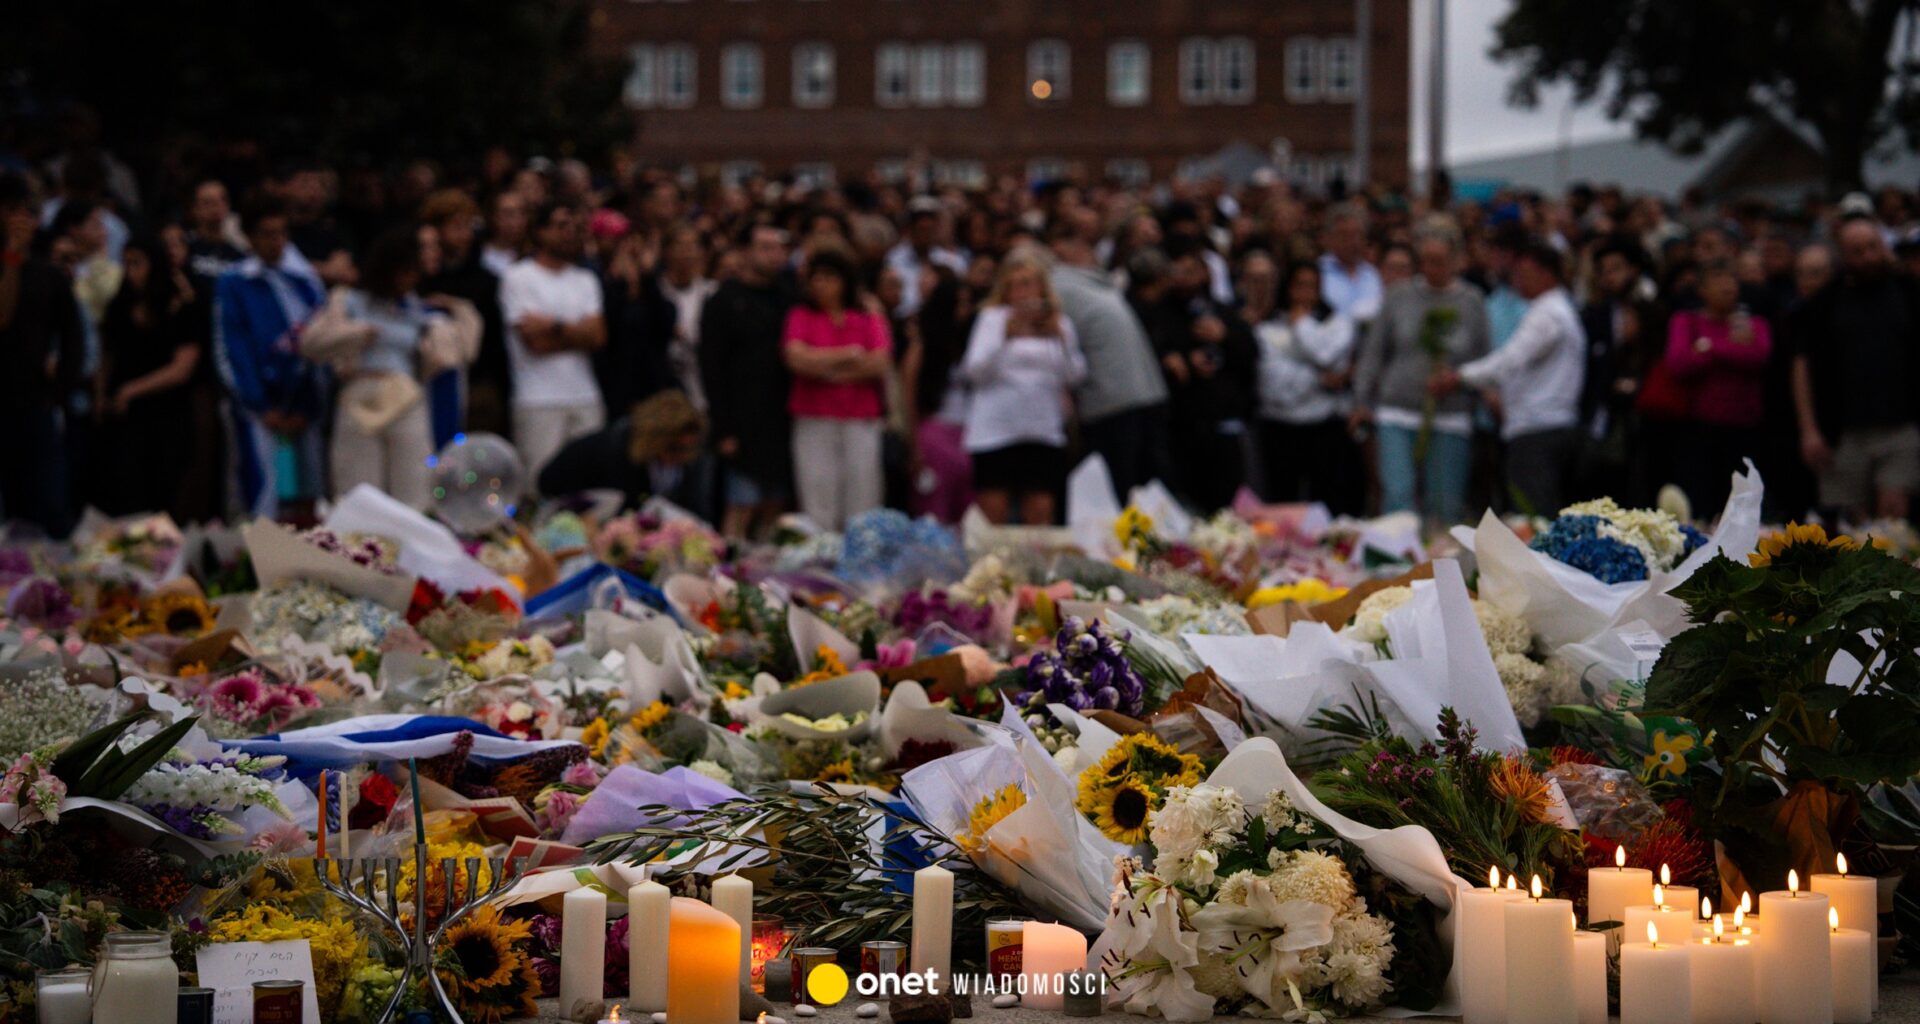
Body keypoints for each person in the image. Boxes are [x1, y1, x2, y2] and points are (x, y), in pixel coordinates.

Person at [307, 228, 479, 509]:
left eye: (413, 271)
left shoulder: (417, 309)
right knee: (359, 488)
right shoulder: (348, 301)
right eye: (403, 271)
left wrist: (452, 310)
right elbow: (311, 344)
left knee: (415, 486)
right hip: (359, 394)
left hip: (407, 397)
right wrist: (355, 334)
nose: (409, 279)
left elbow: (464, 350)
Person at [1433, 240, 1588, 513]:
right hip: (1545, 423)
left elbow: (1509, 360)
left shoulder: (1548, 314)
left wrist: (1459, 377)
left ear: (1546, 273)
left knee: (1534, 512)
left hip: (1538, 426)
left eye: (1523, 274)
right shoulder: (1557, 309)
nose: (1517, 282)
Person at [1351, 225, 1491, 523]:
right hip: (1398, 409)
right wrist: (1362, 399)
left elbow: (1485, 358)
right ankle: (1398, 563)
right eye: (1425, 259)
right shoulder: (1399, 296)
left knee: (1445, 503)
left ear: (1456, 261)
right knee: (1398, 495)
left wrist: (1460, 379)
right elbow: (1374, 352)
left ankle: (1440, 565)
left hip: (1450, 412)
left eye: (1439, 260)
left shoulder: (1471, 301)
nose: (1431, 267)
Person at [1791, 217, 1920, 520]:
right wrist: (1809, 429)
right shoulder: (1825, 303)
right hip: (1843, 432)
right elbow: (1802, 366)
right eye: (1857, 251)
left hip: (1901, 425)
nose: (1868, 258)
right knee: (1852, 525)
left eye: (1873, 248)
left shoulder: (1908, 293)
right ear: (1843, 256)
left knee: (1895, 518)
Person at [213, 193, 328, 519]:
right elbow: (231, 349)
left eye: (281, 232)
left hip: (303, 407)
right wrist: (258, 405)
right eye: (267, 233)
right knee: (262, 491)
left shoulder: (306, 281)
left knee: (309, 491)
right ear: (249, 237)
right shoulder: (235, 282)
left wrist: (310, 406)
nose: (276, 241)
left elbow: (320, 345)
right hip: (258, 409)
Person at [959, 249, 1087, 525]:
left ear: (1042, 286)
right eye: (1015, 285)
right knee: (994, 511)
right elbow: (975, 371)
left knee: (1041, 509)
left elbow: (1075, 375)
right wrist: (1005, 336)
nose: (1022, 292)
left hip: (1042, 429)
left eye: (1028, 283)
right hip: (996, 429)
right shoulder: (993, 319)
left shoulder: (1059, 323)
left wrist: (1060, 338)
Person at [1048, 222, 1171, 497]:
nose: (1090, 252)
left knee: (1135, 489)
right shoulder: (1067, 286)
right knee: (1129, 487)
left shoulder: (1079, 285)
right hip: (1125, 399)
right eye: (1081, 246)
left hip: (1127, 397)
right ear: (1060, 251)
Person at [782, 245, 892, 530]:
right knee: (817, 489)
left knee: (863, 489)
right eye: (816, 278)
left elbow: (879, 362)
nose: (821, 285)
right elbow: (796, 359)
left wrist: (823, 369)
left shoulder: (867, 316)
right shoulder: (801, 315)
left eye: (829, 278)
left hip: (860, 416)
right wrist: (847, 356)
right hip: (815, 414)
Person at [0, 174, 84, 535]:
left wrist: (61, 390)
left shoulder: (50, 275)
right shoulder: (11, 267)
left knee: (48, 506)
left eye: (28, 213)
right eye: (13, 212)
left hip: (37, 404)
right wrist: (11, 257)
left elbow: (72, 337)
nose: (22, 221)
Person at [701, 222, 796, 540]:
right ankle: (729, 575)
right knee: (741, 504)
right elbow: (711, 368)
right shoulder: (723, 301)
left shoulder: (789, 295)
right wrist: (723, 428)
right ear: (744, 253)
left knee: (775, 505)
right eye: (765, 247)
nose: (775, 255)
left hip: (783, 417)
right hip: (741, 420)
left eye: (780, 248)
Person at [94, 235, 201, 517]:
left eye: (138, 264)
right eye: (126, 263)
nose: (131, 272)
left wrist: (131, 390)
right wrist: (101, 393)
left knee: (163, 497)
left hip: (166, 416)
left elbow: (182, 368)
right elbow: (108, 354)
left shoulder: (179, 305)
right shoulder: (121, 305)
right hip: (126, 419)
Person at [500, 202, 607, 475]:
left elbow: (597, 336)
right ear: (540, 232)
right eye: (561, 226)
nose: (569, 233)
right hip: (538, 400)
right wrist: (576, 333)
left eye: (575, 227)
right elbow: (535, 343)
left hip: (585, 396)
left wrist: (554, 325)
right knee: (541, 482)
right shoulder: (518, 277)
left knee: (591, 483)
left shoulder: (586, 279)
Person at [1155, 235, 1257, 511]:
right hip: (1182, 429)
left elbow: (1250, 356)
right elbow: (1157, 355)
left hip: (1223, 428)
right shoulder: (1161, 314)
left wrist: (1226, 338)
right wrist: (1185, 361)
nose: (1185, 279)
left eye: (1191, 271)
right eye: (1178, 272)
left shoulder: (1223, 313)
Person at [1665, 259, 1772, 512]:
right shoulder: (1685, 321)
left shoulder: (1754, 323)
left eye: (1730, 280)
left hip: (1744, 427)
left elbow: (1758, 356)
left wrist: (1710, 347)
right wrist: (1731, 347)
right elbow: (1679, 363)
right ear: (1701, 290)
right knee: (1700, 502)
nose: (1726, 286)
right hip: (1698, 426)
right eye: (1718, 280)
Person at [1256, 261, 1359, 509]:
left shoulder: (1337, 323)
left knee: (1324, 502)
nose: (1305, 292)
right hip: (1280, 424)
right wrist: (1320, 379)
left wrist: (1302, 325)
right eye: (1300, 285)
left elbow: (1328, 357)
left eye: (1313, 286)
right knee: (1283, 500)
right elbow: (1273, 380)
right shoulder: (1267, 327)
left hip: (1323, 425)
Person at [537, 388, 717, 519]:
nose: (682, 457)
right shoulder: (615, 452)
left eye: (688, 450)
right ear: (657, 440)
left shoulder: (679, 467)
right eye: (674, 449)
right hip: (566, 509)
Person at [899, 268, 975, 522]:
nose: (964, 310)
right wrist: (914, 446)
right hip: (934, 434)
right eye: (959, 304)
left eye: (968, 303)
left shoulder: (973, 344)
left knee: (968, 515)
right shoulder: (923, 347)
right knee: (933, 513)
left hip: (970, 435)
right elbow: (908, 396)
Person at [658, 224, 718, 411]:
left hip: (701, 392)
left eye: (693, 246)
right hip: (662, 393)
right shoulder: (655, 292)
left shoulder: (712, 292)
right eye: (681, 246)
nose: (687, 253)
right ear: (667, 251)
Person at [884, 197, 968, 317]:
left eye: (930, 229)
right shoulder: (894, 259)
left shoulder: (952, 261)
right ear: (910, 228)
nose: (925, 234)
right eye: (921, 229)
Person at [1319, 203, 1382, 322]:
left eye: (1358, 235)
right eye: (1345, 235)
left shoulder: (1372, 274)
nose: (1353, 242)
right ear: (1330, 237)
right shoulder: (1319, 272)